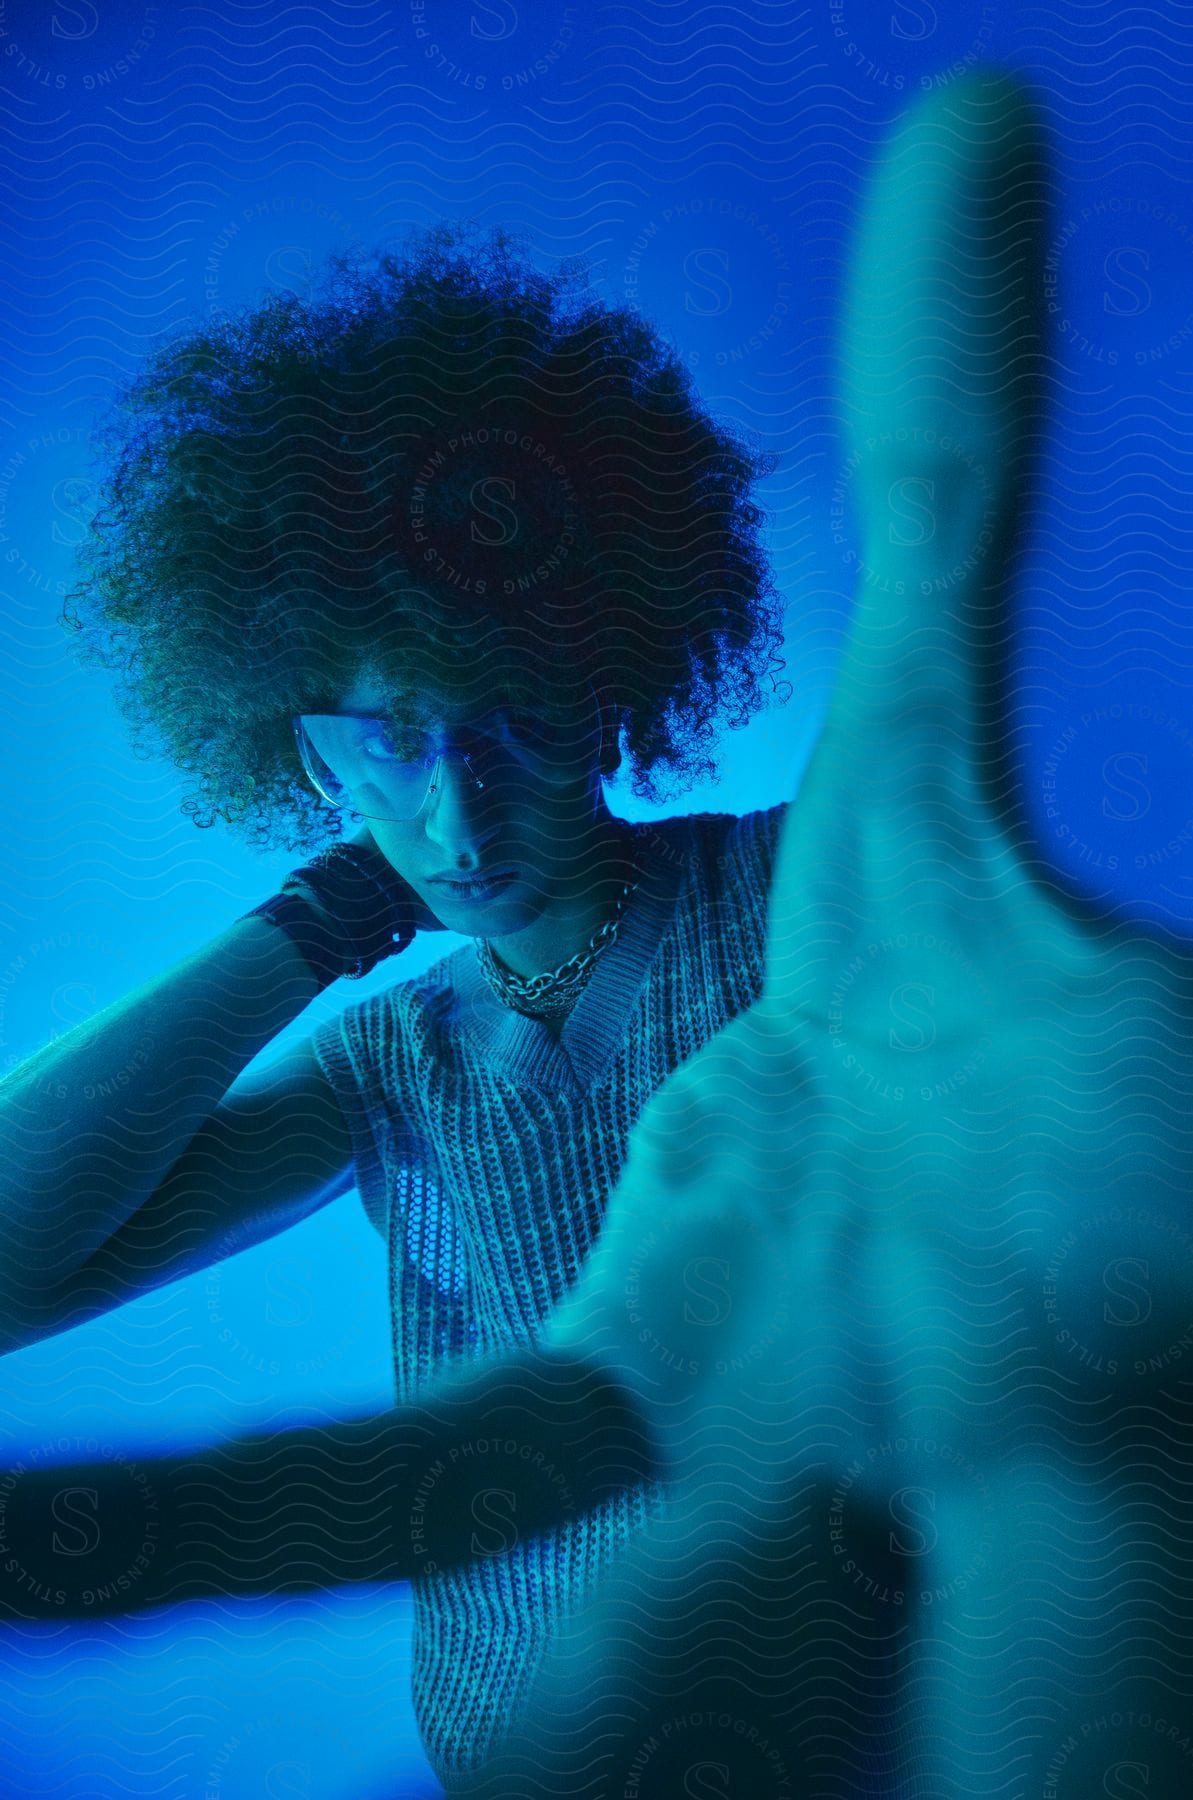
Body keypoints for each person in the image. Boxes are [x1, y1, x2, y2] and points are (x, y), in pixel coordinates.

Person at [0, 207, 791, 1790]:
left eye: (513, 718)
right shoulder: (390, 1060)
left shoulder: (802, 893)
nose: (460, 809)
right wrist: (332, 907)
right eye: (388, 736)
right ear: (303, 746)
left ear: (614, 685)